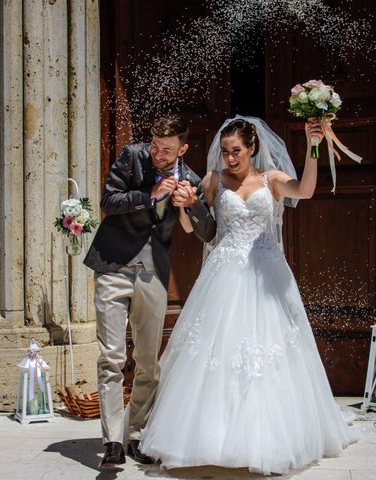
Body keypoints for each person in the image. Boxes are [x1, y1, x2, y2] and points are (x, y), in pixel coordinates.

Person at [139, 116, 359, 475]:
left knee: (269, 352)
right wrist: (186, 205)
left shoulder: (270, 179)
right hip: (224, 271)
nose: (229, 158)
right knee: (218, 352)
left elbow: (304, 191)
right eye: (225, 152)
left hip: (266, 274)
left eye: (236, 151)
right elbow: (198, 230)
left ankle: (270, 439)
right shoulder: (213, 180)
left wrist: (313, 146)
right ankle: (210, 438)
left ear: (252, 148)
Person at [83, 114, 217, 468]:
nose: (158, 153)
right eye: (155, 146)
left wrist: (192, 204)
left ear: (182, 149)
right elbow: (108, 202)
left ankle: (135, 431)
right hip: (112, 267)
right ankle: (112, 440)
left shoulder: (190, 179)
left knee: (148, 362)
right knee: (111, 358)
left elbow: (206, 232)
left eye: (167, 149)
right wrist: (150, 194)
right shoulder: (131, 156)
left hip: (153, 274)